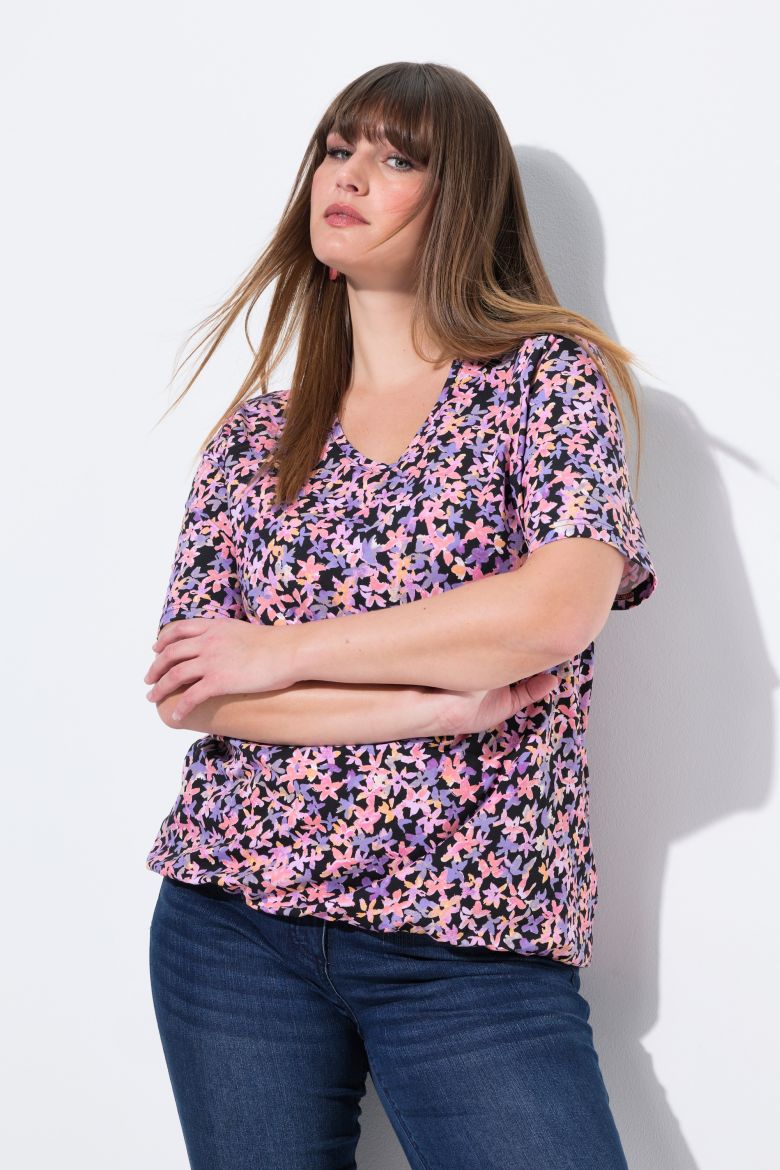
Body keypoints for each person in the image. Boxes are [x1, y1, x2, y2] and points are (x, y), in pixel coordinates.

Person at [144, 61, 658, 1170]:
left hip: (469, 940)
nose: (351, 175)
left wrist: (281, 654)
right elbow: (195, 694)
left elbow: (553, 614)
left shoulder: (545, 383)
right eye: (339, 149)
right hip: (232, 927)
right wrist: (433, 706)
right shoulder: (256, 437)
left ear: (458, 196)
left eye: (397, 157)